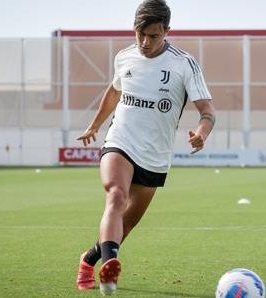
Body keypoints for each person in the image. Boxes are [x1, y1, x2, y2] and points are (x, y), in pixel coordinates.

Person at [74, 0, 215, 295]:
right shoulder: (124, 57)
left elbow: (207, 110)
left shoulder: (183, 64)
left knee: (126, 224)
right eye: (140, 34)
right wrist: (94, 126)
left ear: (167, 31)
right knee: (116, 194)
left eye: (153, 36)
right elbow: (114, 93)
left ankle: (89, 259)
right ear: (134, 29)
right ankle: (110, 267)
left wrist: (202, 132)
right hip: (120, 140)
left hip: (155, 154)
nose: (145, 42)